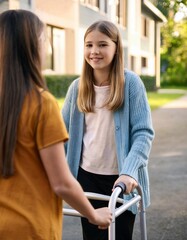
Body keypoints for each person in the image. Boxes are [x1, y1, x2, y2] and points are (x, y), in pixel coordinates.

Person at [0, 10, 112, 240]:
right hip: (30, 228)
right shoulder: (40, 104)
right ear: (32, 47)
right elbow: (61, 183)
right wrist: (93, 214)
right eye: (44, 40)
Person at [62, 20, 155, 240]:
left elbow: (143, 133)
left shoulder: (130, 83)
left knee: (120, 235)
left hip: (121, 181)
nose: (94, 51)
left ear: (115, 48)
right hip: (86, 179)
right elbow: (61, 134)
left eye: (102, 45)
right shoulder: (77, 88)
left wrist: (129, 171)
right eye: (89, 45)